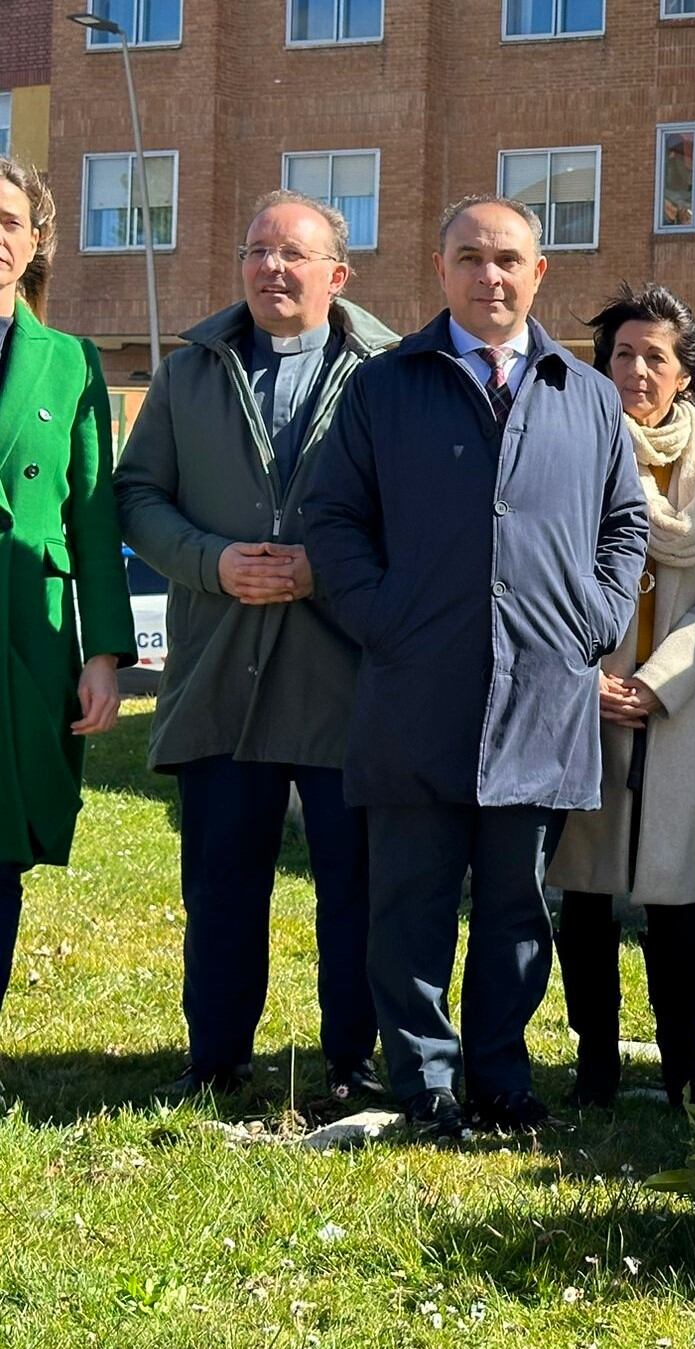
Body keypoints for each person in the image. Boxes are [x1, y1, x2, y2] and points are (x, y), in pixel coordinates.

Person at [302, 195, 649, 1140]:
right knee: (410, 905)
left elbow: (625, 526)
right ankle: (425, 1084)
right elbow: (331, 522)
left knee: (513, 912)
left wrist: (597, 620)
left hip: (542, 694)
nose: (490, 276)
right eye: (470, 258)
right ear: (439, 267)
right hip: (418, 692)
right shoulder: (386, 388)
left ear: (539, 274)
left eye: (509, 260)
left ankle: (500, 1076)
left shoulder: (586, 393)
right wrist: (384, 618)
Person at [114, 191, 397, 1103]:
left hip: (343, 675)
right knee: (222, 885)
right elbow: (138, 496)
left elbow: (420, 511)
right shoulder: (189, 371)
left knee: (354, 887)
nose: (272, 268)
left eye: (294, 254)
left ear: (338, 276)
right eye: (257, 250)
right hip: (219, 668)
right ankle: (216, 1056)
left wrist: (329, 567)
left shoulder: (388, 374)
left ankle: (353, 1057)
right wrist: (211, 561)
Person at [547, 284, 695, 1108]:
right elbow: (546, 568)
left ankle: (675, 1059)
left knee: (673, 892)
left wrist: (659, 684)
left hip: (675, 702)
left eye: (654, 356)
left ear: (686, 376)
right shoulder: (574, 444)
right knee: (584, 887)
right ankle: (593, 1059)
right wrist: (585, 672)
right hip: (584, 691)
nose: (635, 369)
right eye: (622, 353)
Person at [0, 155, 133, 1023]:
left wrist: (104, 655)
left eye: (6, 222)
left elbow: (93, 520)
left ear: (36, 240)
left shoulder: (73, 363)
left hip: (26, 638)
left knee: (1, 842)